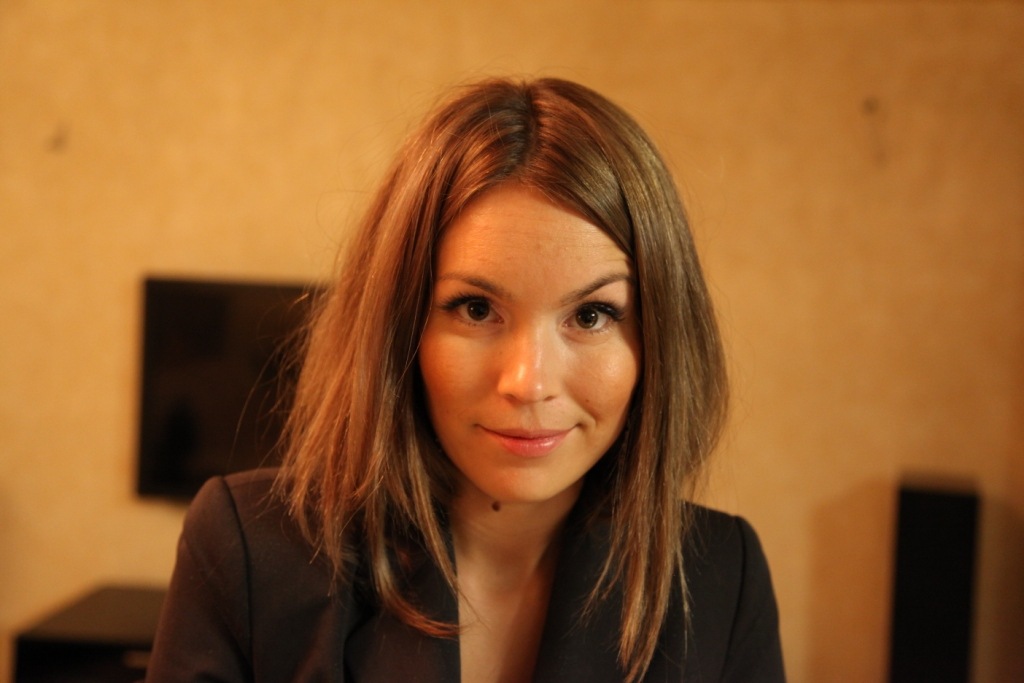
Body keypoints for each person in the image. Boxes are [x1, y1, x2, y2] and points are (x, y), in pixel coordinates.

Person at [146, 77, 785, 682]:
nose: (529, 382)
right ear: (400, 329)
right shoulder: (248, 552)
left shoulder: (722, 579)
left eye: (591, 315)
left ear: (659, 341)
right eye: (476, 309)